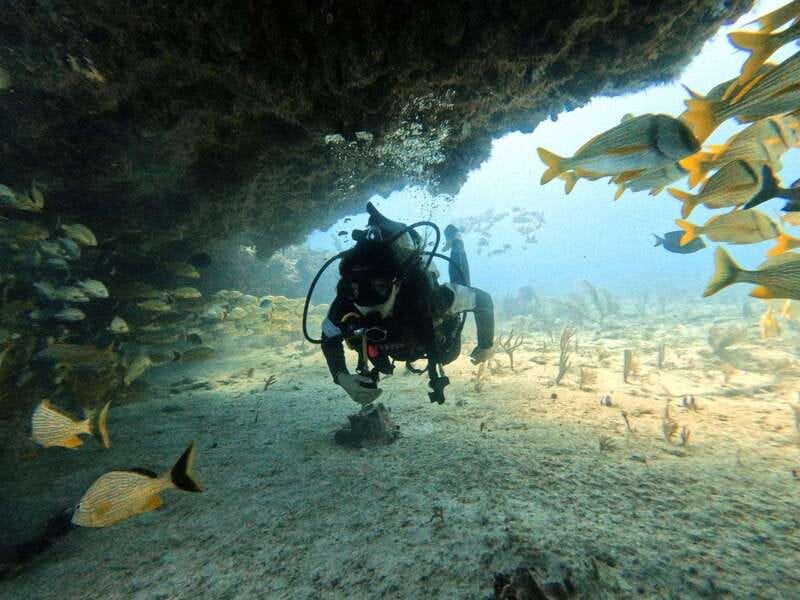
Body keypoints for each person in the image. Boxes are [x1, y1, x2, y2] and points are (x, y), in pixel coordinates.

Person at [321, 203, 494, 405]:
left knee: (463, 285)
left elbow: (483, 300)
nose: (366, 301)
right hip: (393, 350)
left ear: (397, 284)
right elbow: (328, 337)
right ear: (347, 286)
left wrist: (486, 345)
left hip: (439, 344)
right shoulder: (347, 301)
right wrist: (342, 378)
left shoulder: (430, 297)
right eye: (356, 288)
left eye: (379, 287)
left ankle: (457, 242)